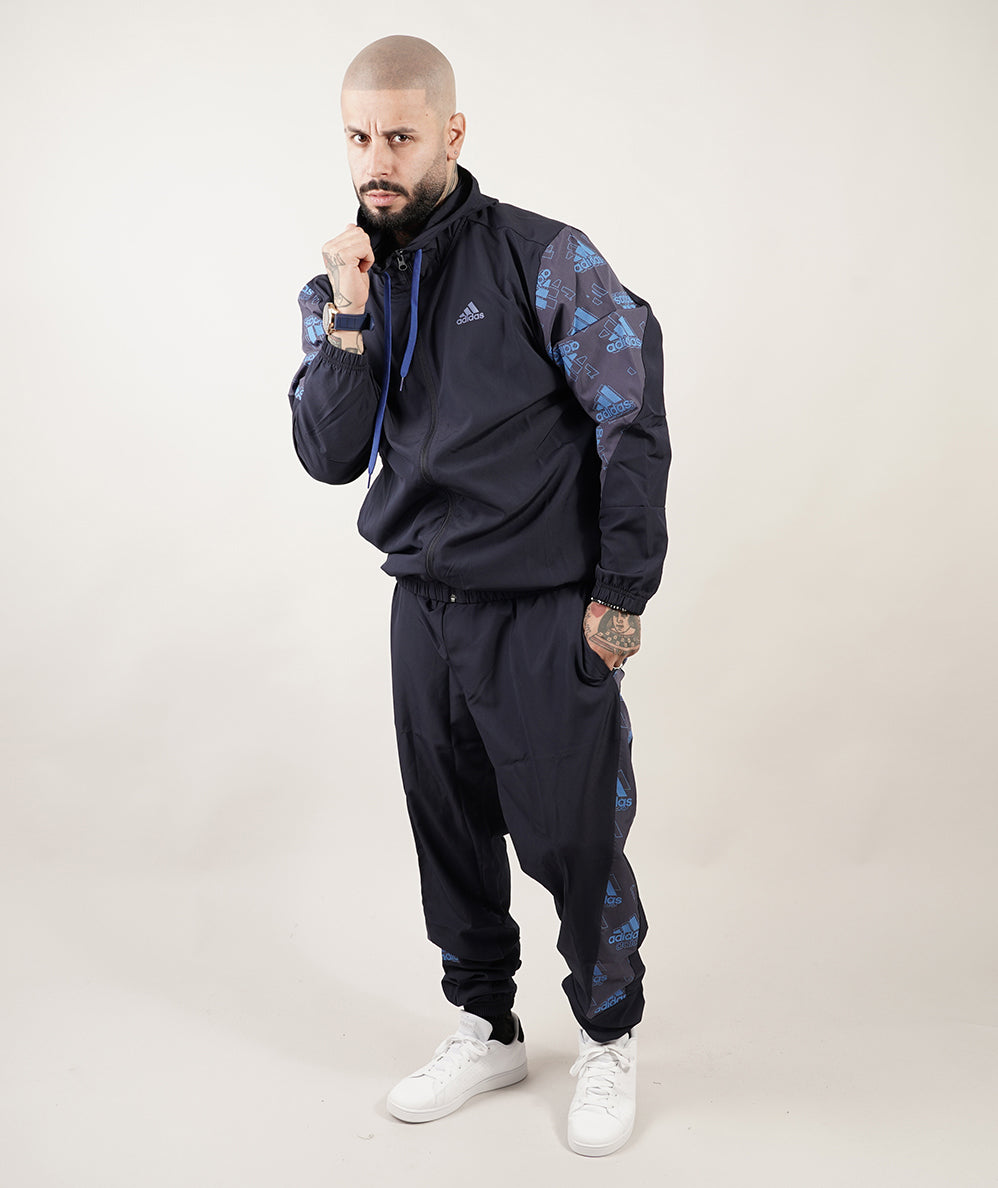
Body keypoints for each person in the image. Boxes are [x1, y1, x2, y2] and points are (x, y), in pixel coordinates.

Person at [286, 34, 671, 1158]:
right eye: (359, 137)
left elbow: (631, 413)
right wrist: (349, 314)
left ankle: (608, 1033)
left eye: (400, 136)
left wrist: (621, 590)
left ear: (451, 133)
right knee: (447, 826)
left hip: (544, 605)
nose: (377, 161)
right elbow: (327, 454)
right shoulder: (340, 286)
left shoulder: (542, 257)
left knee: (572, 833)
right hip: (423, 606)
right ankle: (485, 1024)